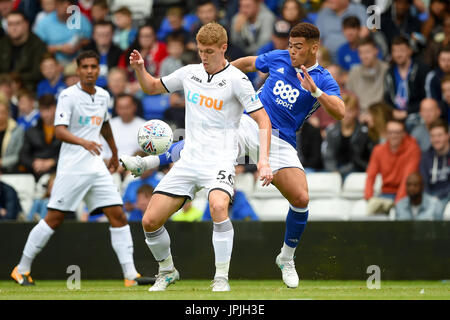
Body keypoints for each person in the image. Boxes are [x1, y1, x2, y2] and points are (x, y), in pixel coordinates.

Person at [121, 22, 345, 289]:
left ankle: (286, 257)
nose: (292, 51)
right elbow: (250, 63)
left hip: (279, 141)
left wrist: (316, 92)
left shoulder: (322, 78)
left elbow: (340, 111)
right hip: (246, 124)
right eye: (290, 45)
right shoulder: (278, 57)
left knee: (301, 198)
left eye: (298, 47)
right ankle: (147, 162)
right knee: (203, 139)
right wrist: (223, 77)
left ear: (314, 48)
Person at [123, 22, 273, 292]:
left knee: (217, 207)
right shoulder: (189, 73)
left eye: (209, 52)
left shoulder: (237, 80)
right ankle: (167, 270)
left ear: (224, 48)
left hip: (221, 160)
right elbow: (152, 88)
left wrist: (262, 161)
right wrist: (139, 69)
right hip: (189, 160)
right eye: (200, 51)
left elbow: (263, 120)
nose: (203, 57)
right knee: (149, 220)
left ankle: (221, 277)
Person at [10, 51, 153, 287]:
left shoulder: (104, 96)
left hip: (96, 166)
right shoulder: (67, 96)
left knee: (117, 215)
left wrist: (115, 152)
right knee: (54, 219)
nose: (89, 70)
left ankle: (131, 276)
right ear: (78, 70)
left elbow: (105, 125)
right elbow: (59, 130)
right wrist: (84, 141)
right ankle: (21, 269)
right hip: (73, 167)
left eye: (93, 66)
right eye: (85, 66)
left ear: (98, 69)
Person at [364, 119, 421, 214]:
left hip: (406, 194)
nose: (393, 136)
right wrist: (369, 198)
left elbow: (408, 179)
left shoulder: (413, 149)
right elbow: (371, 176)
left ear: (403, 134)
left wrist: (396, 203)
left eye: (397, 132)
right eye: (390, 132)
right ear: (386, 134)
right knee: (370, 216)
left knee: (401, 214)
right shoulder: (378, 150)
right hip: (385, 193)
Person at [323, 93, 373, 179]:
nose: (345, 115)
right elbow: (328, 156)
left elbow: (359, 160)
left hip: (358, 171)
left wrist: (340, 172)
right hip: (334, 171)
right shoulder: (331, 131)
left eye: (349, 111)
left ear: (356, 112)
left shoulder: (364, 132)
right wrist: (333, 171)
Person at [384, 35, 429, 123]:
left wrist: (408, 112)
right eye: (395, 51)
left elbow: (426, 97)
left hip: (417, 114)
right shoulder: (389, 72)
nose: (398, 54)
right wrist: (393, 111)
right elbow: (387, 97)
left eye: (401, 50)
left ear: (410, 51)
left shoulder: (421, 69)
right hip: (395, 114)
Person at [0, 10, 47, 90]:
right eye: (10, 24)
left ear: (26, 25)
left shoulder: (38, 45)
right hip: (3, 86)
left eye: (17, 23)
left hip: (27, 88)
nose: (13, 28)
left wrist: (15, 79)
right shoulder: (2, 43)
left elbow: (38, 73)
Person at [35, 0, 92, 65]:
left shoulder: (82, 19)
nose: (65, 7)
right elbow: (38, 47)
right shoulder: (44, 23)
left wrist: (79, 45)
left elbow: (89, 40)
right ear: (56, 6)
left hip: (78, 59)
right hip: (54, 62)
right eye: (61, 4)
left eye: (68, 5)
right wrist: (59, 48)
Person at [19, 94, 61, 181]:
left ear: (55, 108)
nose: (45, 114)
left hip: (60, 172)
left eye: (48, 110)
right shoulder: (31, 131)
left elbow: (69, 153)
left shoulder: (64, 131)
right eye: (42, 110)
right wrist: (34, 163)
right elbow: (23, 156)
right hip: (36, 174)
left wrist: (52, 162)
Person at [346, 37, 389, 116]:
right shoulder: (354, 72)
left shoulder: (386, 70)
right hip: (359, 115)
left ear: (376, 51)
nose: (364, 56)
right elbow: (351, 98)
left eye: (367, 52)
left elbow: (388, 100)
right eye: (361, 53)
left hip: (380, 114)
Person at [419, 119, 449, 218]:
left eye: (439, 135)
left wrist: (439, 197)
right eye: (433, 136)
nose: (436, 140)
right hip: (430, 197)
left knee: (436, 210)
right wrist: (430, 198)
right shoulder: (425, 157)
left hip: (446, 196)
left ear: (447, 135)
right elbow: (424, 182)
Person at [82, 20, 123, 88]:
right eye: (100, 34)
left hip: (112, 89)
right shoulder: (85, 52)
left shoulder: (119, 53)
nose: (103, 37)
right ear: (94, 35)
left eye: (107, 34)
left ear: (112, 35)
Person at [0, 98, 24, 173]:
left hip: (10, 171)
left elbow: (18, 156)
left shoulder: (17, 131)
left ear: (8, 113)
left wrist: (1, 162)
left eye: (2, 112)